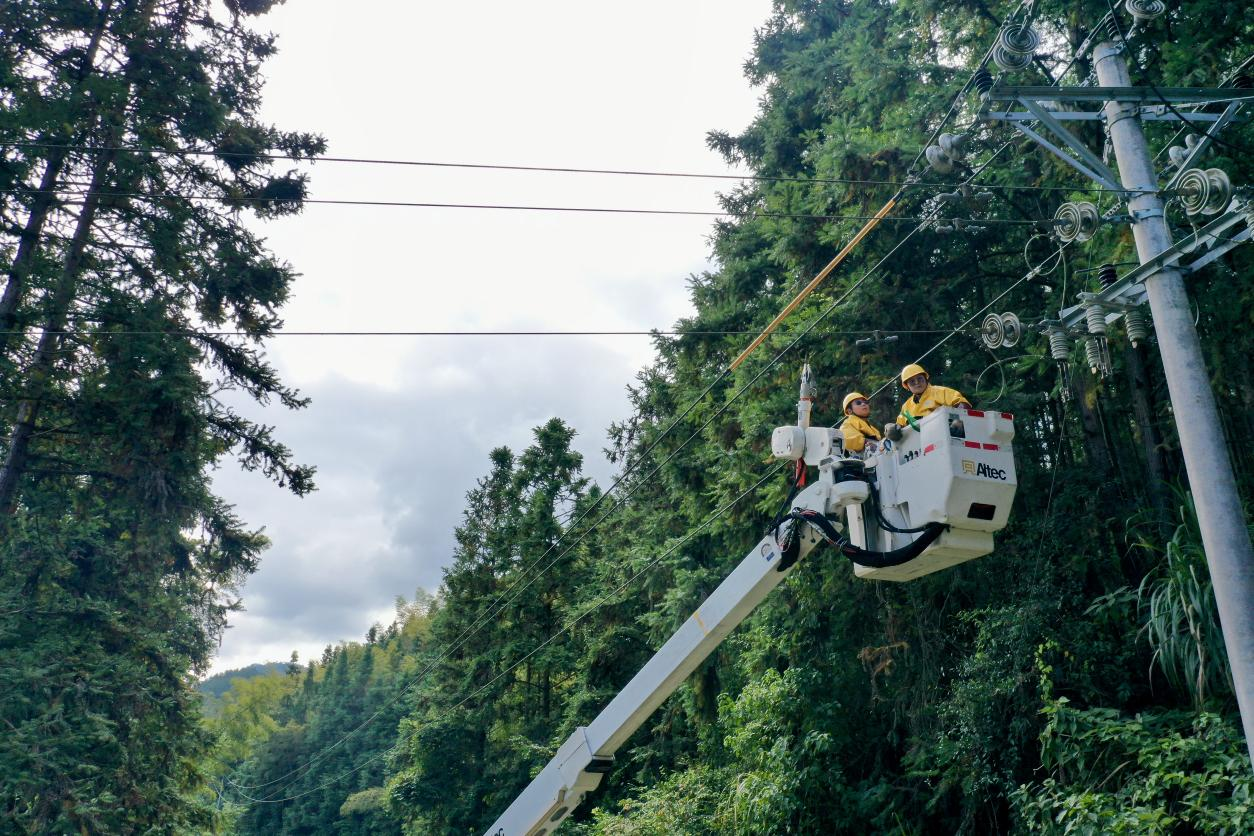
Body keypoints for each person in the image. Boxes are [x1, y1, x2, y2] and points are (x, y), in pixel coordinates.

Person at [885, 363, 971, 439]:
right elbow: (899, 425)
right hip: (919, 446)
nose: (917, 383)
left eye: (920, 379)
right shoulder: (906, 407)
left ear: (926, 379)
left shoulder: (940, 392)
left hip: (946, 438)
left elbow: (963, 404)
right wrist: (891, 429)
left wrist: (958, 419)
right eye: (912, 382)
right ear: (907, 386)